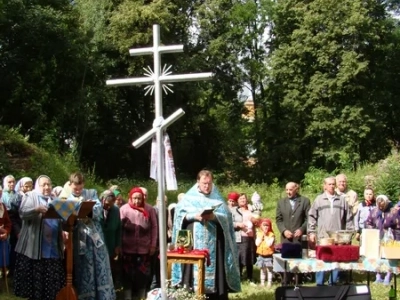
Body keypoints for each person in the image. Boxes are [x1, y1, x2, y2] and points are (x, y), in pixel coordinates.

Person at [171, 169, 241, 300]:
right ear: (198, 182)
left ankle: (216, 295)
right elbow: (179, 215)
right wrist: (194, 216)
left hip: (215, 244)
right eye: (204, 183)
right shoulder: (189, 197)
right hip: (193, 244)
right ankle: (190, 292)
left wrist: (214, 217)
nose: (207, 186)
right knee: (191, 274)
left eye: (209, 183)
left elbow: (227, 217)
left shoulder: (217, 197)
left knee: (215, 273)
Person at [14, 175, 65, 300]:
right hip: (34, 250)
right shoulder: (30, 196)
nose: (47, 187)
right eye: (44, 185)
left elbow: (63, 218)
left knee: (52, 286)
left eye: (49, 184)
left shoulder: (55, 199)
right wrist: (36, 209)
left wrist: (64, 229)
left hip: (52, 249)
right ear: (38, 186)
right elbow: (23, 213)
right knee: (35, 288)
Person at [67, 172, 116, 300]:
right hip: (80, 237)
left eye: (80, 187)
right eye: (75, 188)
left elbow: (98, 210)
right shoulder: (66, 199)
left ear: (83, 184)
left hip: (96, 237)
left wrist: (83, 209)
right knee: (84, 266)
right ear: (70, 185)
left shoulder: (91, 193)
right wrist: (82, 208)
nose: (78, 190)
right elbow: (67, 216)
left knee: (100, 264)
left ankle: (104, 296)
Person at [308, 176, 353, 286]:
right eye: (329, 184)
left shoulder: (342, 200)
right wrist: (312, 232)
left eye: (333, 184)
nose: (332, 186)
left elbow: (349, 218)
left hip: (338, 238)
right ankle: (320, 284)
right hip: (323, 236)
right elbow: (311, 216)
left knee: (336, 261)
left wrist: (349, 233)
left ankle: (332, 284)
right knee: (322, 260)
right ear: (324, 186)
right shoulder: (319, 200)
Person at [120, 187, 158, 300]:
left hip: (144, 248)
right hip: (127, 248)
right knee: (127, 274)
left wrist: (153, 245)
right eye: (134, 198)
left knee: (143, 274)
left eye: (139, 198)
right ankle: (128, 297)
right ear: (130, 197)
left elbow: (154, 227)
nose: (137, 201)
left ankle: (142, 296)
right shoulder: (124, 209)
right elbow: (120, 229)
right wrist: (119, 246)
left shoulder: (149, 209)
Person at [276, 182, 311, 284]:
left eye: (290, 190)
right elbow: (279, 220)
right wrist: (284, 230)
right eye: (286, 190)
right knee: (286, 262)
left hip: (299, 238)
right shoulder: (281, 202)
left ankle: (298, 283)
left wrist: (302, 229)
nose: (288, 192)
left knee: (298, 262)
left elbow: (308, 219)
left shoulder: (305, 201)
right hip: (286, 238)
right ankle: (286, 282)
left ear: (296, 189)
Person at [365, 195, 393, 284]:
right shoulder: (374, 212)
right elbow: (368, 222)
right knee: (376, 256)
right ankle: (378, 275)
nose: (381, 207)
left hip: (389, 237)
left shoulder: (393, 212)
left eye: (383, 205)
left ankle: (388, 275)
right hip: (376, 236)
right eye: (379, 205)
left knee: (389, 256)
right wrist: (372, 231)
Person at [231, 193, 256, 283]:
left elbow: (256, 221)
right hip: (239, 237)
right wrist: (238, 225)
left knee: (250, 257)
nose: (243, 200)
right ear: (237, 201)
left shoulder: (251, 210)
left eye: (244, 198)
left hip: (250, 237)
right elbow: (230, 223)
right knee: (239, 257)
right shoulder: (233, 210)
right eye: (241, 199)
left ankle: (250, 277)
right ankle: (239, 277)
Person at [100, 190, 122, 290]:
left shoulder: (116, 210)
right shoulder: (96, 208)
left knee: (111, 267)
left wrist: (118, 245)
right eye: (107, 204)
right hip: (99, 243)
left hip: (111, 243)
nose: (108, 207)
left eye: (111, 205)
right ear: (102, 200)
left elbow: (118, 228)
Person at [254, 218, 275, 288]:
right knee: (262, 270)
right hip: (261, 255)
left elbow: (269, 244)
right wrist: (261, 236)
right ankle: (262, 283)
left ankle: (269, 283)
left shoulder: (271, 235)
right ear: (261, 226)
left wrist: (266, 237)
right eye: (264, 225)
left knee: (269, 270)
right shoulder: (259, 234)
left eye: (267, 225)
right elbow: (257, 244)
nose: (266, 227)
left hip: (268, 255)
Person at [0, 197, 11, 278]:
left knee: (2, 259)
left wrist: (6, 232)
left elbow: (8, 223)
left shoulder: (2, 206)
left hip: (2, 238)